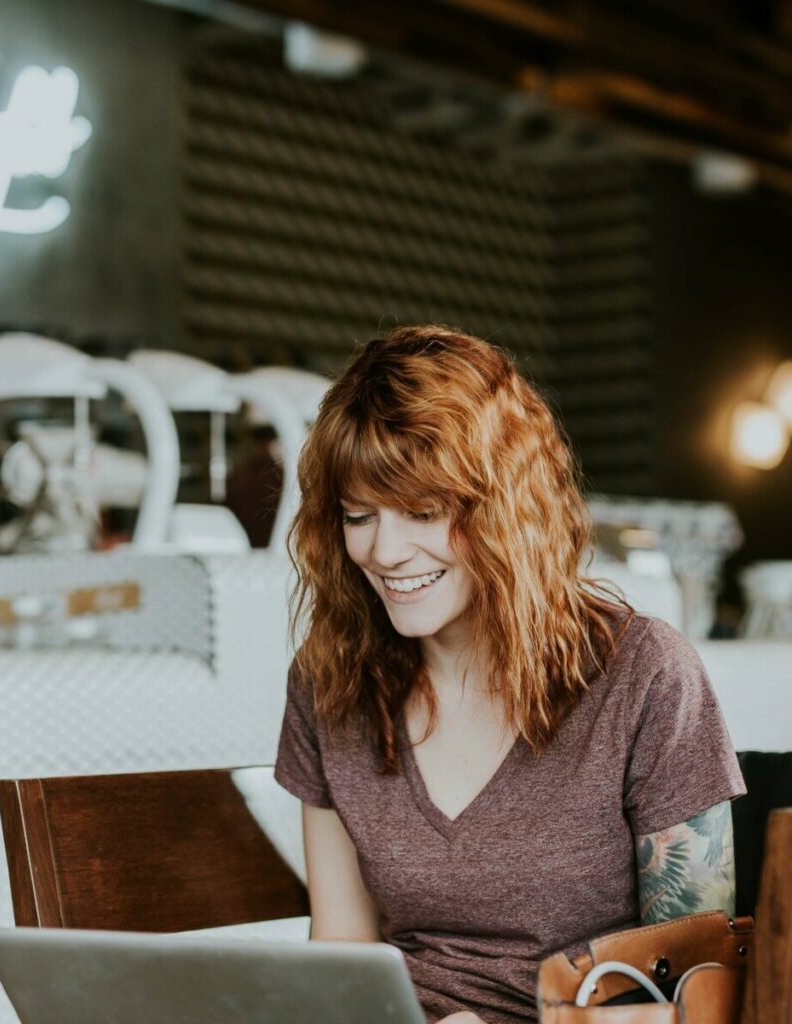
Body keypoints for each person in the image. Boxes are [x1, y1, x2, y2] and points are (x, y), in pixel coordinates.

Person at [274, 325, 745, 1024]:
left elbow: (702, 993)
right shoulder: (329, 682)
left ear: (505, 509)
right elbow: (340, 956)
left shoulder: (643, 676)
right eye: (357, 515)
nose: (384, 550)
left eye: (424, 512)